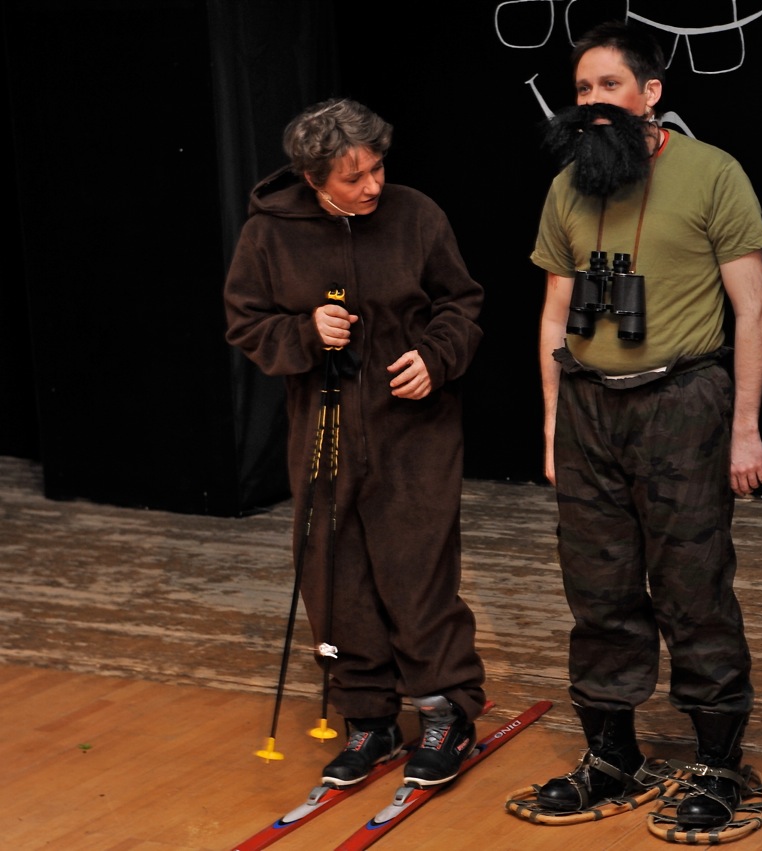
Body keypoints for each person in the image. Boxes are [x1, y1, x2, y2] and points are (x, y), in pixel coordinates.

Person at [530, 21, 762, 830]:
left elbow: (752, 309)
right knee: (595, 587)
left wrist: (744, 428)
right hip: (587, 406)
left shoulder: (712, 173)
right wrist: (551, 424)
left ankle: (718, 761)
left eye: (609, 85)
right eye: (582, 88)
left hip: (681, 401)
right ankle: (611, 754)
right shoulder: (570, 185)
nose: (593, 100)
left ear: (650, 93)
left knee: (691, 585)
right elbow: (554, 312)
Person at [224, 98, 486, 790]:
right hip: (324, 427)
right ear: (313, 178)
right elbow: (246, 324)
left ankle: (445, 712)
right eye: (353, 176)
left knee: (417, 569)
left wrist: (436, 356)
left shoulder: (416, 214)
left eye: (377, 168)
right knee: (333, 573)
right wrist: (305, 332)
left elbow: (461, 303)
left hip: (415, 428)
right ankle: (368, 717)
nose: (373, 185)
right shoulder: (268, 234)